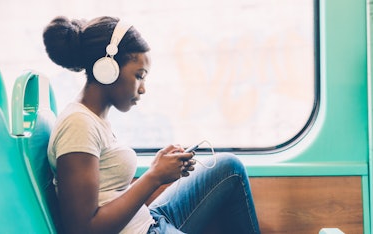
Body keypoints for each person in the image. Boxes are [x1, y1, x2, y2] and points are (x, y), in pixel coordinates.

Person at [43, 15, 260, 234]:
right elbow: (84, 230)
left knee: (229, 168)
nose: (143, 88)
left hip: (148, 219)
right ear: (107, 69)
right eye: (139, 76)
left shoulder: (94, 119)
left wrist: (159, 167)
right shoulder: (78, 124)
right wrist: (154, 176)